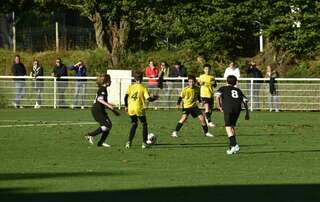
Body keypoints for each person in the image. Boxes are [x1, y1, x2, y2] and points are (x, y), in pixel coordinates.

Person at [215, 75, 250, 155]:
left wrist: (219, 106)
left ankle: (234, 144)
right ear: (235, 82)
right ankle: (232, 147)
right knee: (232, 126)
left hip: (228, 108)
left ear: (226, 81)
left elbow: (217, 96)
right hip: (237, 110)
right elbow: (245, 101)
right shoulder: (238, 90)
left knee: (227, 127)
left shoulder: (223, 88)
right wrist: (247, 113)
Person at [124, 72, 159, 149]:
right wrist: (155, 98)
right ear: (142, 79)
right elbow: (149, 99)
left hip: (131, 108)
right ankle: (144, 143)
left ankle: (128, 142)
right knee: (144, 124)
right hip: (139, 108)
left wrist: (126, 106)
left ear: (134, 79)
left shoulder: (130, 87)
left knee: (134, 124)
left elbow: (125, 97)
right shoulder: (143, 87)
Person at [85, 74, 120, 147]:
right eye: (110, 80)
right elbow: (100, 99)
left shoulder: (103, 89)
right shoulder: (102, 89)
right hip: (97, 110)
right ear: (107, 81)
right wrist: (110, 106)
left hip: (100, 109)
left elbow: (102, 101)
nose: (111, 81)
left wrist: (112, 106)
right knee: (106, 125)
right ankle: (90, 135)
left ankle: (101, 142)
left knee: (108, 125)